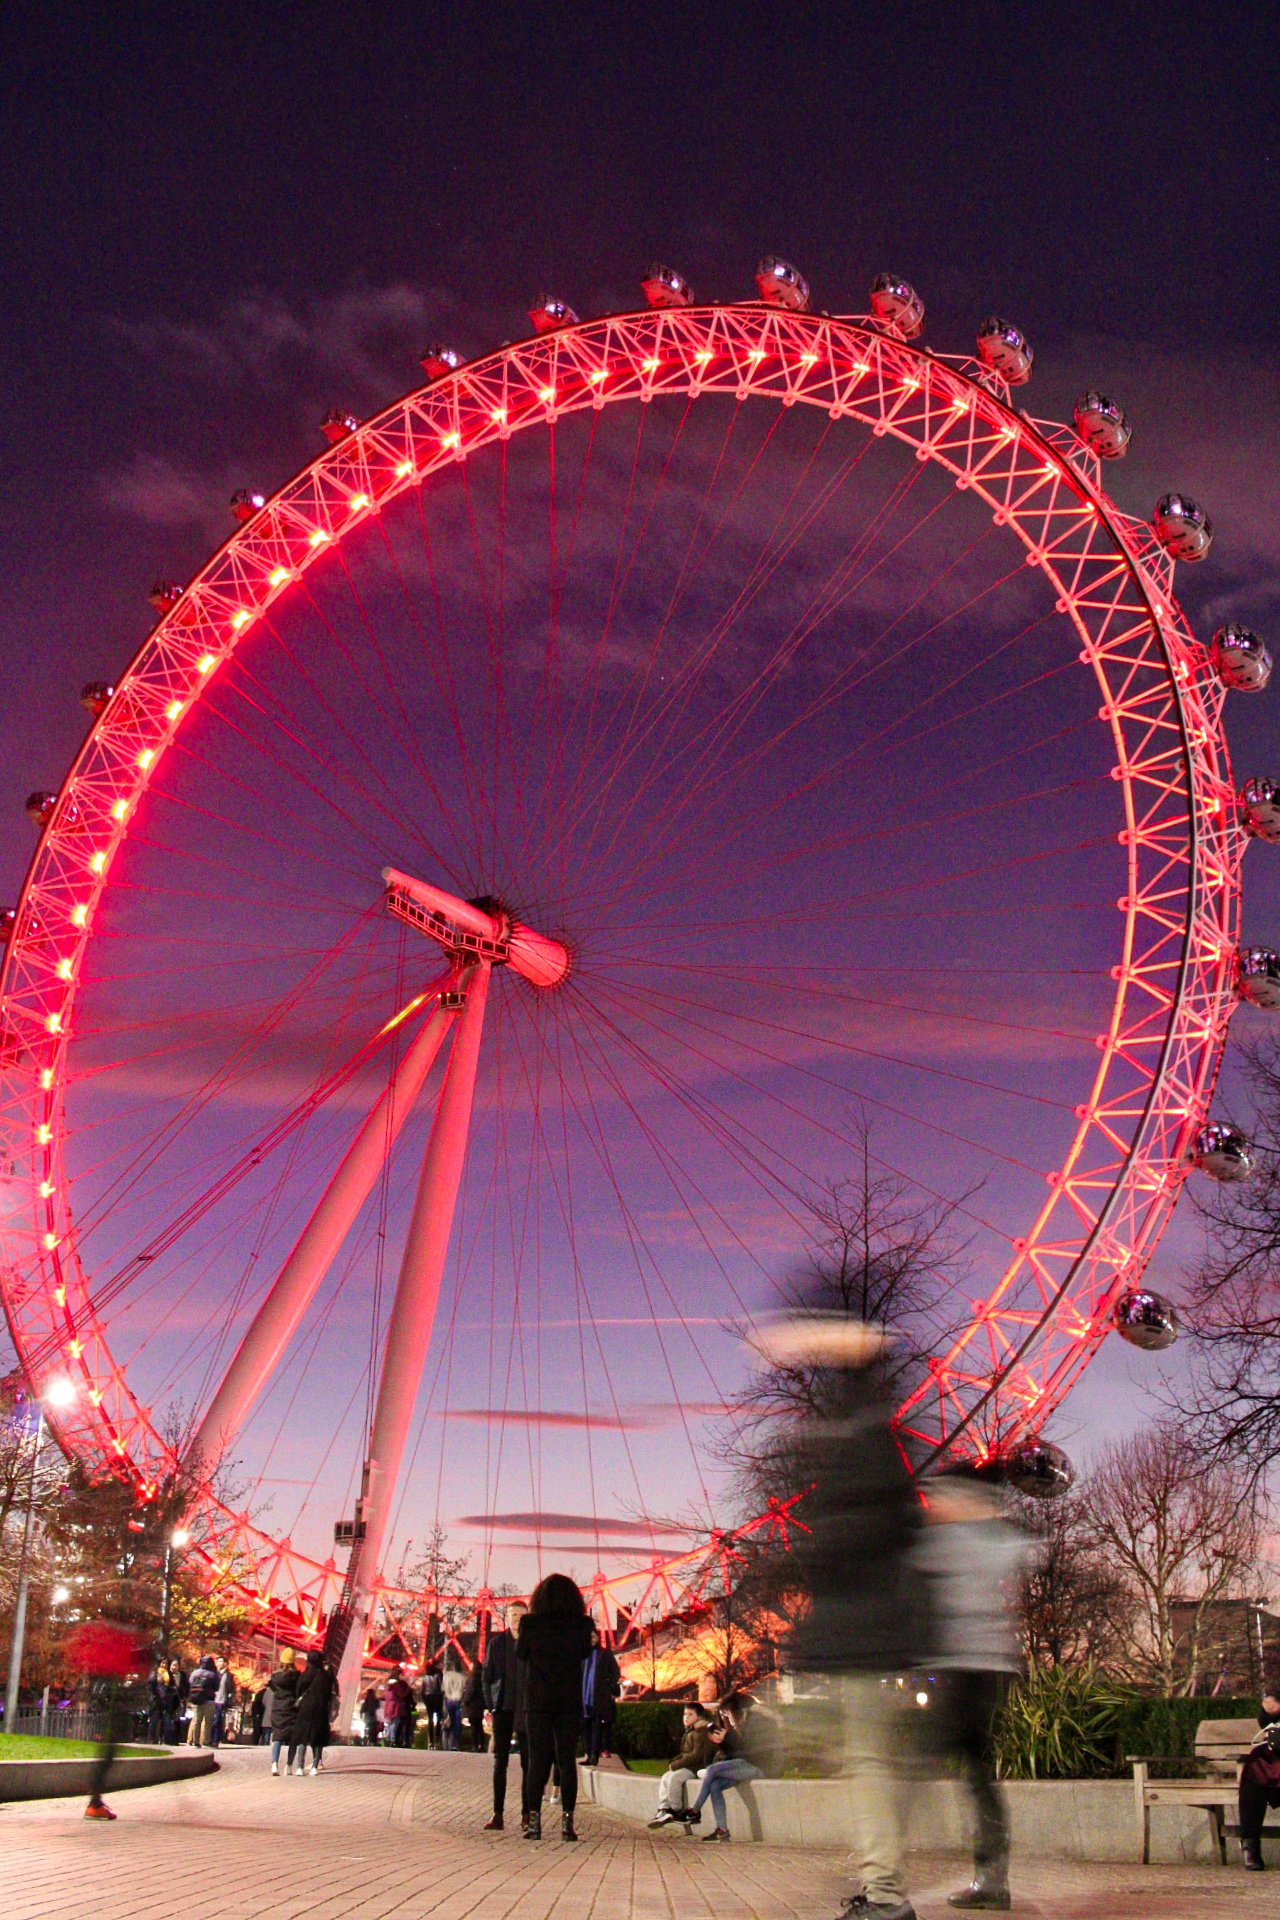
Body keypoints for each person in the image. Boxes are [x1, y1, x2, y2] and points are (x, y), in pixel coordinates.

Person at [776, 1314, 933, 1920]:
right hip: (875, 1629)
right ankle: (883, 1883)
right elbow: (902, 1526)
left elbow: (855, 1533)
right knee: (868, 1758)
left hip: (862, 1633)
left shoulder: (853, 1444)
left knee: (866, 1761)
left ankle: (886, 1895)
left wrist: (817, 1559)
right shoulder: (881, 1440)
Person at [913, 1463, 1028, 1911]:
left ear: (964, 1497)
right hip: (990, 1667)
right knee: (977, 1773)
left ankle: (884, 1865)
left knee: (921, 1759)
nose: (933, 1506)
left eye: (941, 1497)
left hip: (963, 1668)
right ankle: (992, 1877)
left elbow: (912, 1562)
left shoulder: (950, 1541)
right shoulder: (998, 1539)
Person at [517, 1572, 594, 1842]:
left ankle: (534, 1823)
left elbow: (521, 1653)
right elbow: (585, 1653)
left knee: (537, 1761)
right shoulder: (582, 1625)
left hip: (538, 1700)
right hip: (568, 1701)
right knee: (566, 1761)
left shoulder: (530, 1623)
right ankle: (567, 1824)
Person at [686, 1693, 764, 1840]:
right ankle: (722, 1829)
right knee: (714, 1785)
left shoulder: (754, 1722)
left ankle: (694, 1810)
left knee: (712, 1770)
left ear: (736, 1710)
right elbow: (736, 1754)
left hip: (758, 1767)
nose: (726, 1718)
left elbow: (750, 1752)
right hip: (746, 1766)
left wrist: (727, 1738)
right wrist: (722, 1742)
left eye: (727, 1713)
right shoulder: (742, 1725)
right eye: (723, 1715)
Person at [483, 1601, 529, 1830]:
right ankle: (498, 1814)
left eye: (521, 1614)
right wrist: (491, 1705)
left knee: (528, 1764)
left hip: (526, 1708)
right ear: (506, 1616)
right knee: (500, 1762)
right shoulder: (496, 1644)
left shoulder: (532, 1643)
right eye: (513, 1614)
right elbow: (487, 1676)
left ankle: (527, 1814)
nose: (517, 1618)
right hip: (503, 1707)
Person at [648, 1704, 715, 1826]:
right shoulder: (691, 1731)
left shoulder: (700, 1732)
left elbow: (697, 1755)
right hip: (689, 1766)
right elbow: (684, 1753)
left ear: (699, 1717)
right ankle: (664, 1808)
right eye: (685, 1714)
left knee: (675, 1778)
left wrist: (676, 1765)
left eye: (690, 1714)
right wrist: (673, 1763)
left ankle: (676, 1810)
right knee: (666, 1777)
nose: (686, 1717)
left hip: (697, 1767)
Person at [1238, 1692, 1280, 1870]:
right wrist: (1271, 1711)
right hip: (1273, 1758)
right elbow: (1266, 1725)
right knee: (1255, 1772)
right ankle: (1250, 1846)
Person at [582, 1626, 622, 1766]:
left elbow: (615, 1672)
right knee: (586, 1728)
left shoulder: (605, 1654)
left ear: (598, 1638)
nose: (591, 1640)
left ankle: (594, 1755)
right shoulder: (582, 1655)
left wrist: (609, 1687)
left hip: (598, 1698)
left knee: (597, 1727)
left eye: (593, 1637)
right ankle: (588, 1754)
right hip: (584, 1697)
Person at [294, 1655, 339, 1775]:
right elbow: (330, 1693)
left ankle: (299, 1767)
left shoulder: (305, 1674)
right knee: (318, 1738)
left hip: (306, 1708)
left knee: (303, 1737)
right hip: (321, 1708)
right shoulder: (326, 1676)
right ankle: (315, 1766)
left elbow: (298, 1690)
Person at [268, 1646, 303, 1775]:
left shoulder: (275, 1676)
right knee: (293, 1739)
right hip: (292, 1709)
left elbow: (272, 1687)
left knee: (277, 1737)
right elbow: (300, 1691)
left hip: (278, 1709)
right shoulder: (297, 1677)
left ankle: (274, 1764)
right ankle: (288, 1766)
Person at [186, 1654, 218, 1747]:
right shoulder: (212, 1674)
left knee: (197, 1720)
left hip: (196, 1699)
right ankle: (206, 1741)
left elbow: (189, 1684)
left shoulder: (194, 1673)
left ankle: (195, 1741)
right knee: (208, 1722)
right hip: (209, 1700)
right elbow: (216, 1687)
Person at [462, 1658, 487, 1752]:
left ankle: (475, 1745)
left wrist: (465, 1700)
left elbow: (470, 1691)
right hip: (480, 1704)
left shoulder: (472, 1678)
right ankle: (482, 1745)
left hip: (472, 1705)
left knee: (473, 1725)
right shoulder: (483, 1677)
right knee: (479, 1725)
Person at [385, 1668, 414, 1748]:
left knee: (394, 1723)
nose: (403, 1676)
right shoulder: (397, 1685)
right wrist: (409, 1687)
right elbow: (402, 1695)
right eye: (401, 1675)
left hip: (391, 1706)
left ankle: (392, 1739)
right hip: (397, 1706)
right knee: (396, 1723)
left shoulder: (391, 1684)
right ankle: (393, 1739)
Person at [212, 1655, 236, 1748]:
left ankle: (215, 1740)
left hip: (221, 1701)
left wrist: (229, 1699)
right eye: (218, 1661)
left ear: (225, 1664)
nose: (219, 1663)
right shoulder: (214, 1674)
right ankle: (209, 1739)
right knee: (211, 1720)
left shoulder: (228, 1675)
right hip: (212, 1700)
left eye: (221, 1661)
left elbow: (231, 1689)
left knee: (218, 1721)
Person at [442, 1660, 465, 1748]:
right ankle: (456, 1742)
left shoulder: (447, 1676)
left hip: (449, 1701)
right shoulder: (462, 1677)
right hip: (458, 1701)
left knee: (449, 1721)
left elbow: (443, 1689)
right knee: (457, 1722)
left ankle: (447, 1740)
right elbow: (464, 1689)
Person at [420, 1667, 445, 1749]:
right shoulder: (437, 1676)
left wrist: (424, 1699)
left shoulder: (425, 1677)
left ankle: (431, 1741)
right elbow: (441, 1688)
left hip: (428, 1699)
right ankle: (437, 1738)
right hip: (437, 1698)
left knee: (430, 1720)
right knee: (439, 1719)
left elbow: (422, 1690)